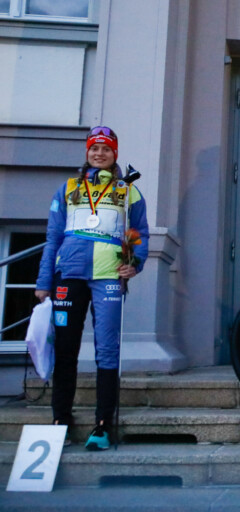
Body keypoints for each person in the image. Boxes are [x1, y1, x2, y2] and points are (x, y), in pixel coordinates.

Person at [35, 126, 149, 450]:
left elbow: (140, 231)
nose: (99, 154)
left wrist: (136, 263)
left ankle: (102, 424)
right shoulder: (68, 188)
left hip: (109, 273)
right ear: (87, 152)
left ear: (115, 154)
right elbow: (53, 237)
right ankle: (60, 419)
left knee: (107, 349)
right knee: (66, 347)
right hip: (69, 273)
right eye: (94, 149)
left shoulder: (127, 190)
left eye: (106, 149)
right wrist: (44, 282)